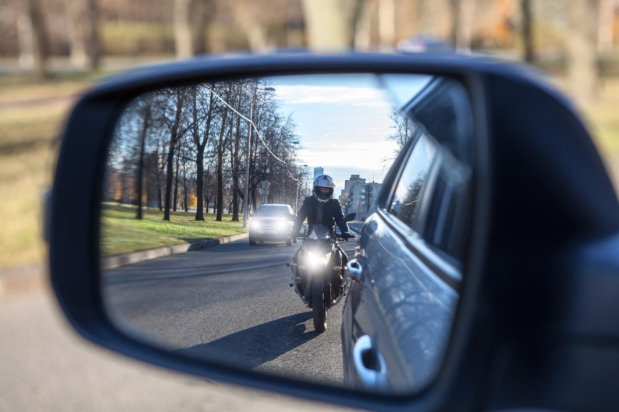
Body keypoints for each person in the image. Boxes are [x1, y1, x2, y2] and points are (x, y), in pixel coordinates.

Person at [291, 175, 353, 297]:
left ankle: (339, 283)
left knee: (343, 258)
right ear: (316, 188)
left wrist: (345, 231)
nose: (324, 191)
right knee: (296, 258)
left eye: (327, 189)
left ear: (331, 190)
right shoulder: (309, 201)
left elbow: (340, 219)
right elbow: (299, 218)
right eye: (322, 188)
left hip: (329, 238)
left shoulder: (334, 203)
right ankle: (299, 282)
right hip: (311, 238)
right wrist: (294, 231)